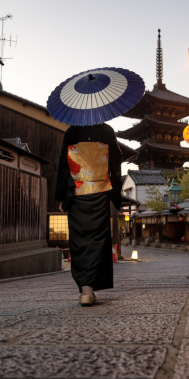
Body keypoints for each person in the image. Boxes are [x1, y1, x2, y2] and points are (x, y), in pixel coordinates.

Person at [55, 123, 122, 306]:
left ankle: (85, 289)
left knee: (79, 240)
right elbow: (115, 162)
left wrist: (61, 197)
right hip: (100, 191)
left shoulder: (72, 131)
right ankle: (90, 288)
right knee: (98, 239)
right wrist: (116, 195)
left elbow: (63, 163)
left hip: (77, 192)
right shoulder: (107, 130)